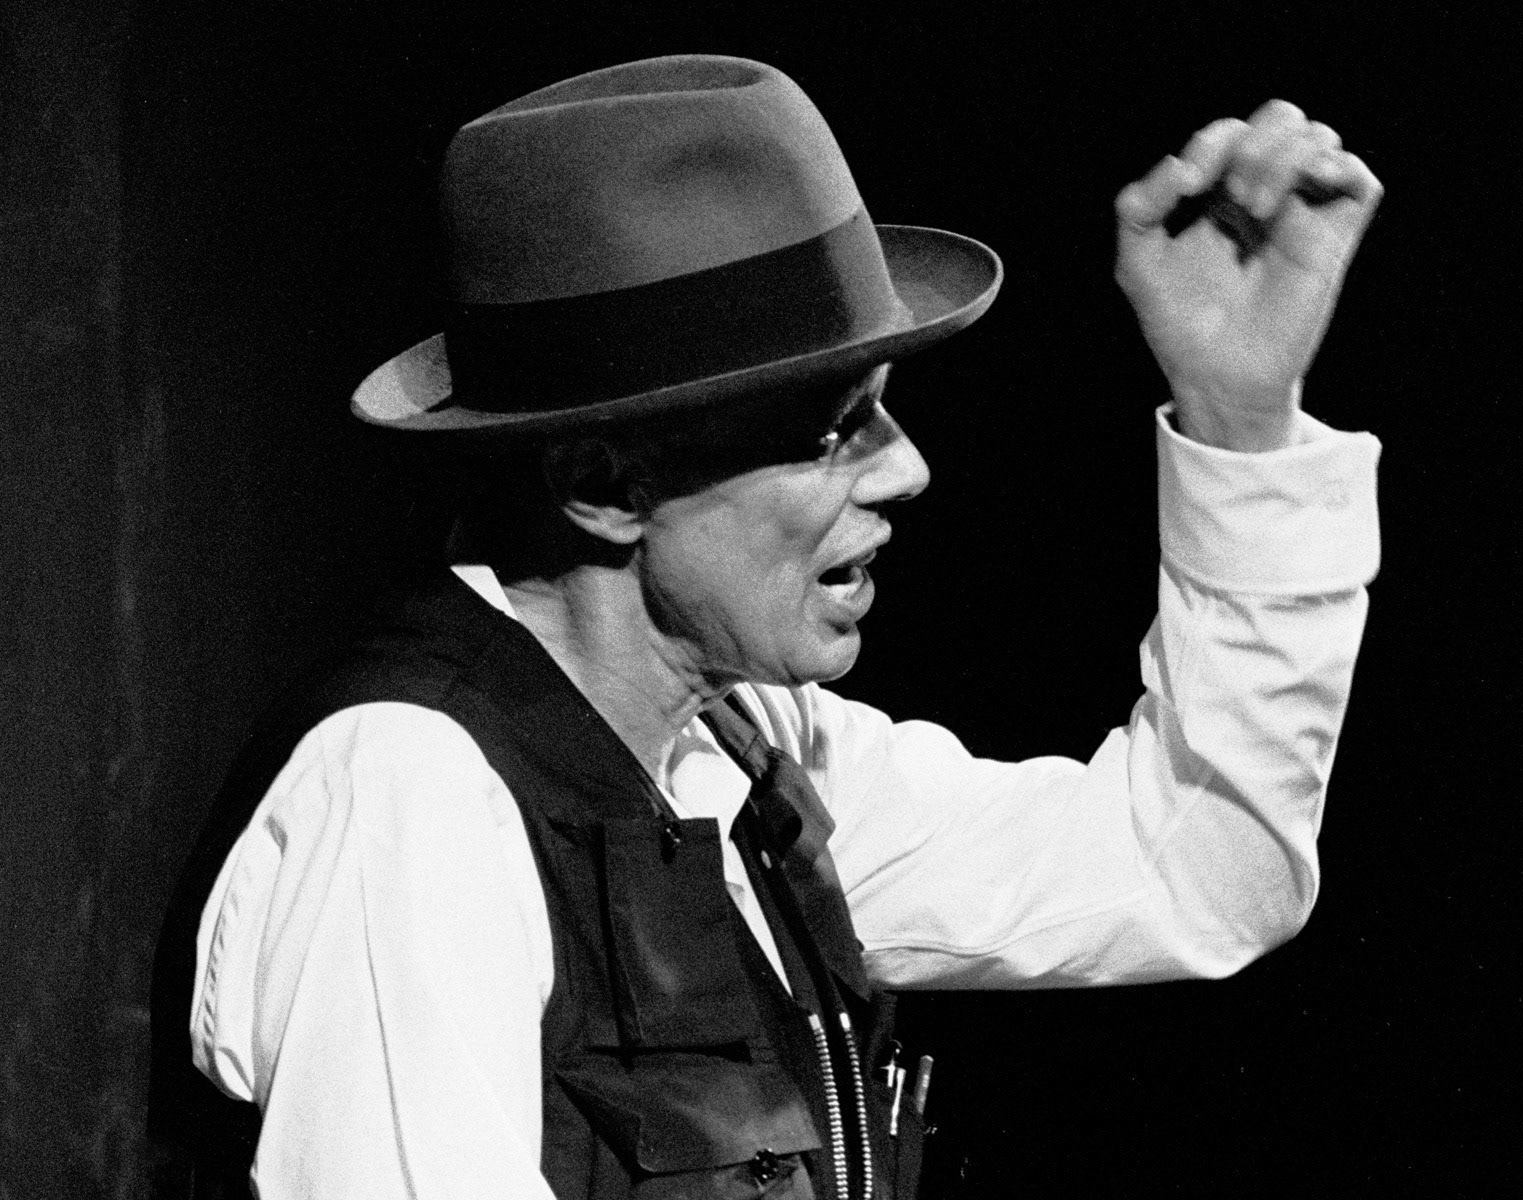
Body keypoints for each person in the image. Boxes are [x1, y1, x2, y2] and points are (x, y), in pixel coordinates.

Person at [147, 54, 1383, 1200]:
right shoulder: (413, 794)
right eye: (833, 427)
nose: (907, 471)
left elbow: (1200, 868)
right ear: (604, 483)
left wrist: (1241, 418)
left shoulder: (742, 755)